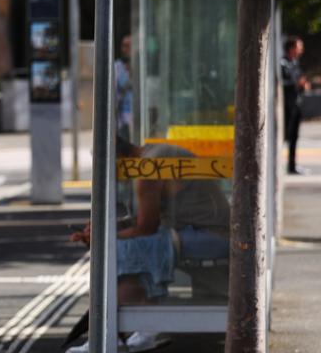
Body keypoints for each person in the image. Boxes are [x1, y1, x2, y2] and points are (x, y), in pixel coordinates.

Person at [67, 136, 231, 353]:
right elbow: (146, 220)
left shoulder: (146, 171)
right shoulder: (151, 153)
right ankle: (133, 330)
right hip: (205, 229)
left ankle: (119, 332)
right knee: (124, 246)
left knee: (123, 250)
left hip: (212, 235)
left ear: (119, 162)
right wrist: (104, 230)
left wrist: (104, 237)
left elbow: (146, 227)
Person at [282, 36, 310, 175]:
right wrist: (297, 83)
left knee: (294, 137)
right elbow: (284, 83)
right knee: (285, 135)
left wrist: (303, 85)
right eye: (299, 47)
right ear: (291, 48)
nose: (301, 50)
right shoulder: (284, 63)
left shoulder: (294, 63)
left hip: (296, 104)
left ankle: (292, 165)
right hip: (287, 106)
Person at [114, 35, 134, 141]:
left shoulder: (141, 67)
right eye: (124, 46)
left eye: (129, 46)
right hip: (123, 120)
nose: (126, 49)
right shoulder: (116, 67)